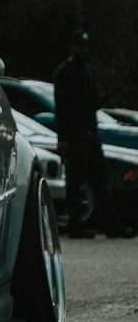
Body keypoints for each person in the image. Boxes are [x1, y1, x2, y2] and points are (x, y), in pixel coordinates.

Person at [53, 29, 136, 238]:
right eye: (80, 46)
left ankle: (113, 226)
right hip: (74, 135)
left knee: (101, 180)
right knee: (75, 181)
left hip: (90, 133)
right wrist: (62, 138)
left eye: (86, 47)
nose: (83, 50)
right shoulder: (64, 73)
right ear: (73, 47)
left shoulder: (89, 71)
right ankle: (75, 226)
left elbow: (91, 103)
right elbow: (61, 108)